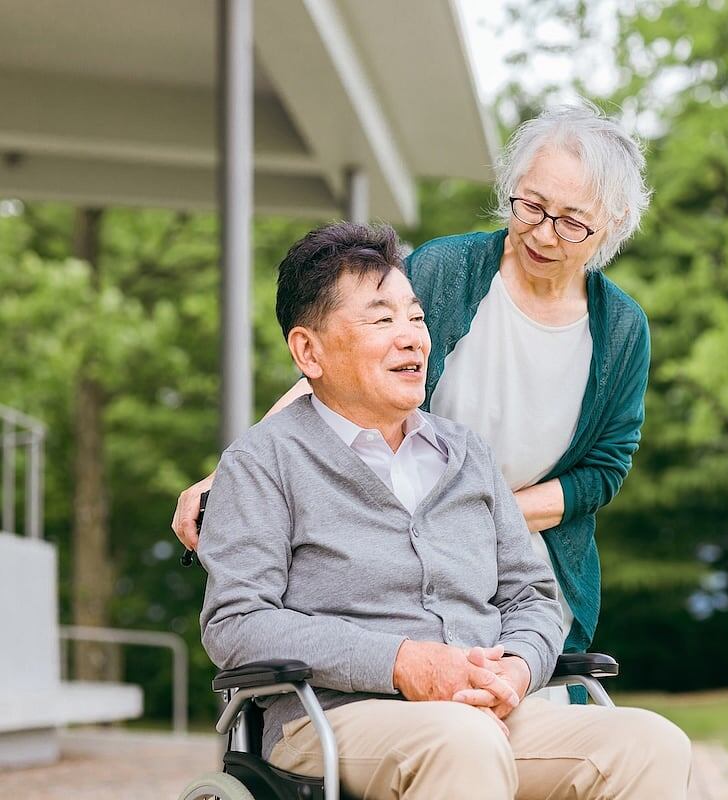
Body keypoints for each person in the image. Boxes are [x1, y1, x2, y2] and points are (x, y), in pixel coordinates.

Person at [199, 222, 690, 799]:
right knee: (464, 739)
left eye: (416, 317)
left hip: (481, 711)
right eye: (382, 320)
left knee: (650, 742)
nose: (411, 338)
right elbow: (235, 624)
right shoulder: (265, 462)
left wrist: (518, 667)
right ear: (310, 350)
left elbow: (529, 595)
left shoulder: (466, 453)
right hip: (331, 717)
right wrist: (399, 661)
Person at [176, 103, 652, 663]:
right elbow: (340, 373)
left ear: (614, 223)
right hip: (390, 547)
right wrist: (233, 477)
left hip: (524, 570)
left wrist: (485, 520)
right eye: (531, 206)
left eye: (572, 221)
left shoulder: (620, 328)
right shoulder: (445, 272)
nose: (543, 234)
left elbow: (603, 470)